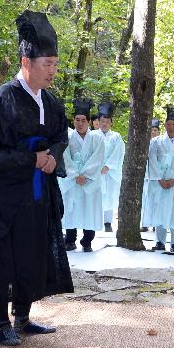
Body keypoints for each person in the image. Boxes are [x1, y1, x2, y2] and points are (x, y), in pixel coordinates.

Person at [0, 10, 73, 347]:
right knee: (4, 255)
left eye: (56, 64)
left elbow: (61, 135)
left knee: (32, 252)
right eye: (48, 64)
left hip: (37, 194)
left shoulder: (51, 103)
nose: (53, 71)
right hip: (4, 197)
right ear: (26, 61)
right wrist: (31, 159)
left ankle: (24, 317)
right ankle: (1, 321)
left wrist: (53, 155)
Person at [60, 98, 105, 253]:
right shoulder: (67, 136)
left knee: (89, 209)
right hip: (73, 180)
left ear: (89, 121)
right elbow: (64, 156)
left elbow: (98, 158)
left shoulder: (97, 138)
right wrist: (75, 174)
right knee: (71, 209)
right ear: (73, 121)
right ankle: (70, 239)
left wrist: (85, 174)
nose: (80, 123)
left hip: (89, 180)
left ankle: (87, 241)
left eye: (83, 120)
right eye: (77, 120)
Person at [147, 104, 174, 254]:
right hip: (160, 181)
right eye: (169, 124)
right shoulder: (155, 142)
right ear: (165, 125)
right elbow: (152, 159)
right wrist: (159, 178)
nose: (171, 127)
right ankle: (159, 241)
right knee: (160, 210)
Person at [96, 101, 124, 232]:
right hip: (96, 172)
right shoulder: (93, 135)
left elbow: (119, 152)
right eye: (102, 121)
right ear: (98, 122)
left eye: (107, 122)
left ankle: (108, 222)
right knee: (97, 195)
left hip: (110, 172)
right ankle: (96, 221)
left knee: (110, 195)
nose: (104, 124)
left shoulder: (116, 136)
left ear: (111, 123)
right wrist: (97, 167)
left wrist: (108, 166)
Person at [140, 117, 160, 232]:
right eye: (151, 130)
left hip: (157, 178)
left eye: (155, 130)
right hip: (146, 177)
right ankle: (144, 223)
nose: (153, 132)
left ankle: (155, 223)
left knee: (155, 201)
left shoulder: (161, 144)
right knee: (145, 201)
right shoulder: (144, 143)